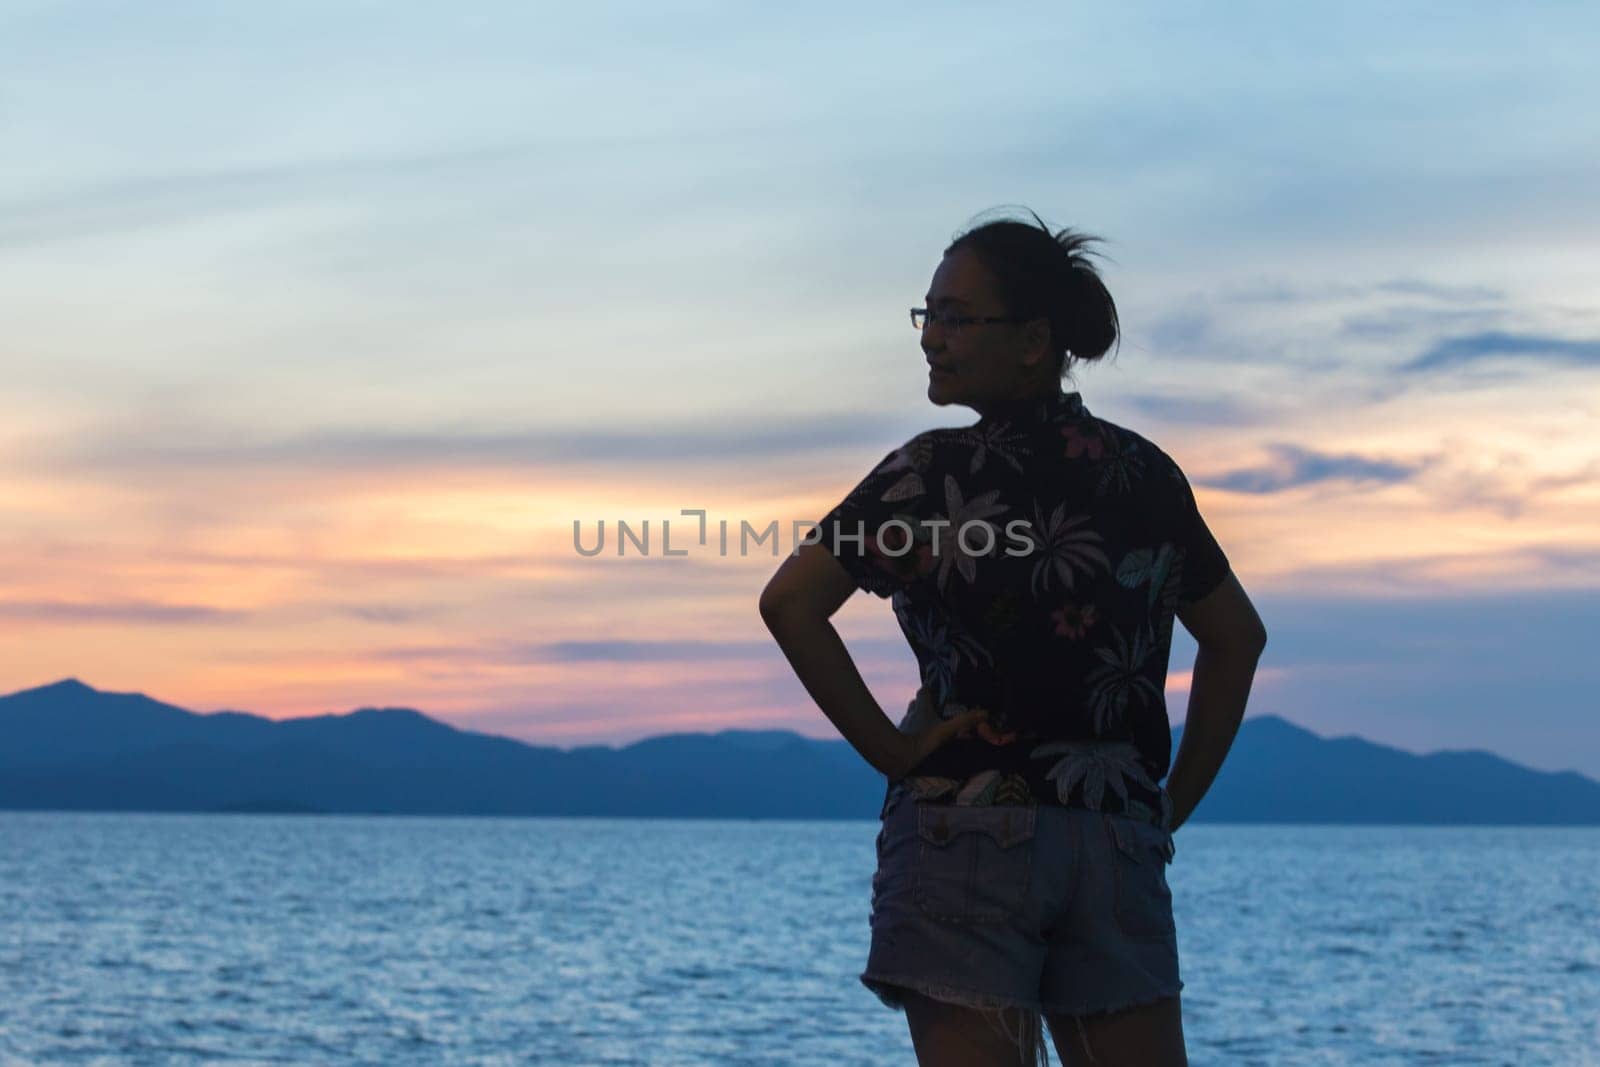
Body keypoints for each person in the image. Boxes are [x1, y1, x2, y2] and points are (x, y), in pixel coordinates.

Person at [759, 209, 1267, 1066]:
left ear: (1034, 340)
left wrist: (891, 749)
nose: (932, 339)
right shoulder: (1142, 474)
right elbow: (1236, 639)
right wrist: (1169, 802)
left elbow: (791, 603)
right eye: (927, 315)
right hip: (1114, 838)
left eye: (957, 317)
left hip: (966, 833)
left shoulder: (930, 476)